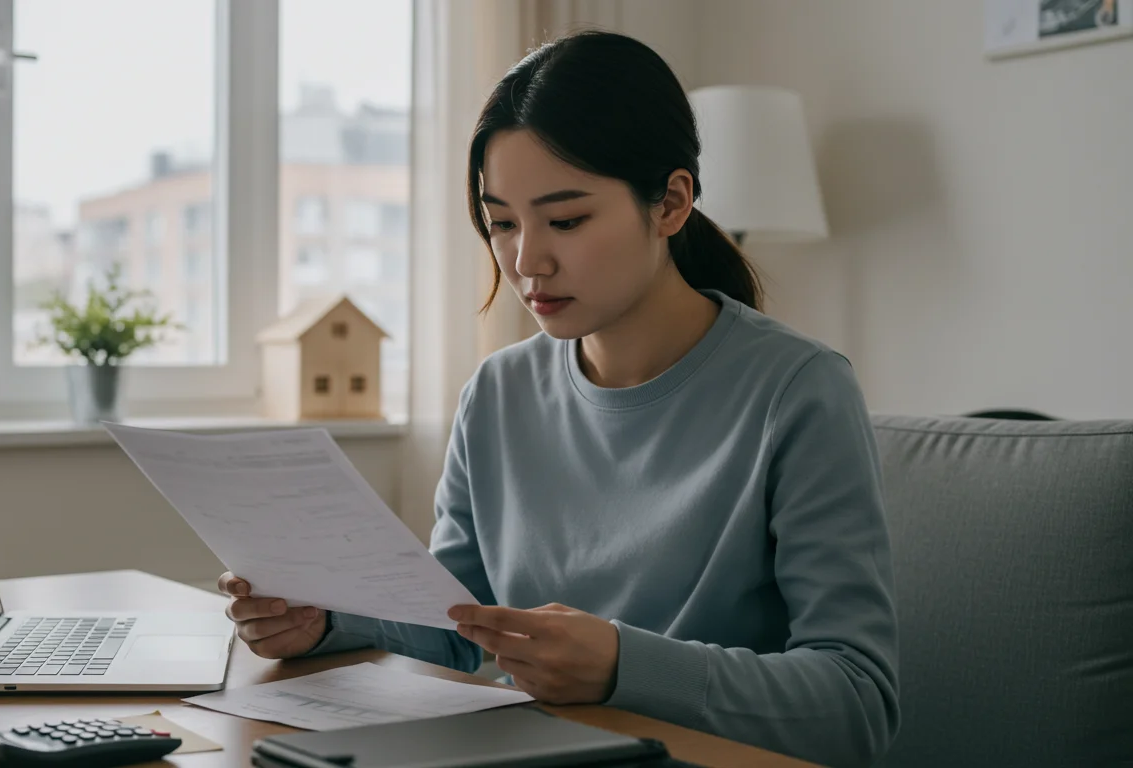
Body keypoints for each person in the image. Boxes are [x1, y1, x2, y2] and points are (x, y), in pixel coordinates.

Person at [219, 30, 899, 768]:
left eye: (566, 220)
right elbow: (455, 620)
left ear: (671, 202)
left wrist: (622, 666)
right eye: (502, 222)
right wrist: (321, 619)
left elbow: (857, 704)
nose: (526, 261)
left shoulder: (798, 391)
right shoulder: (498, 391)